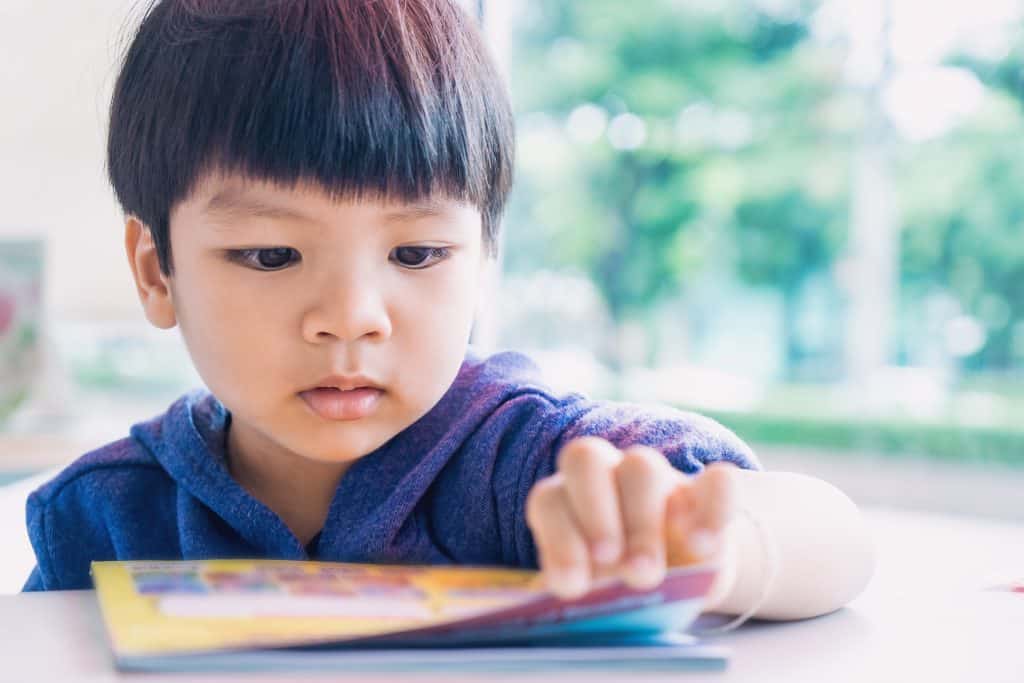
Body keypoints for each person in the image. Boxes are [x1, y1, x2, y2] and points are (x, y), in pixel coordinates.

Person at [23, 0, 873, 621]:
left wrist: (714, 549)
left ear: (482, 261)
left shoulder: (528, 464)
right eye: (272, 255)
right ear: (156, 271)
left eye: (417, 254)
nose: (353, 317)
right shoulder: (104, 513)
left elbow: (834, 539)